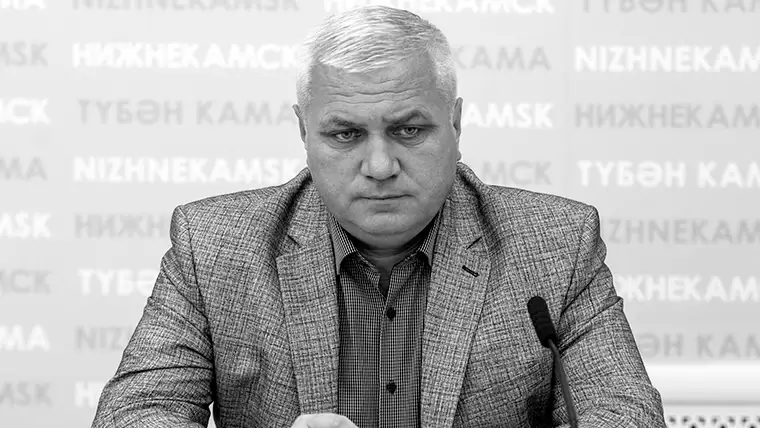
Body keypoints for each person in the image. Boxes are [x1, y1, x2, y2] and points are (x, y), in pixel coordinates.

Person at [91, 5, 667, 428]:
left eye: (408, 130)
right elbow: (134, 414)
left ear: (456, 125)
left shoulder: (556, 245)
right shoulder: (214, 245)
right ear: (303, 132)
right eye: (345, 134)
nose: (380, 165)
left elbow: (624, 414)